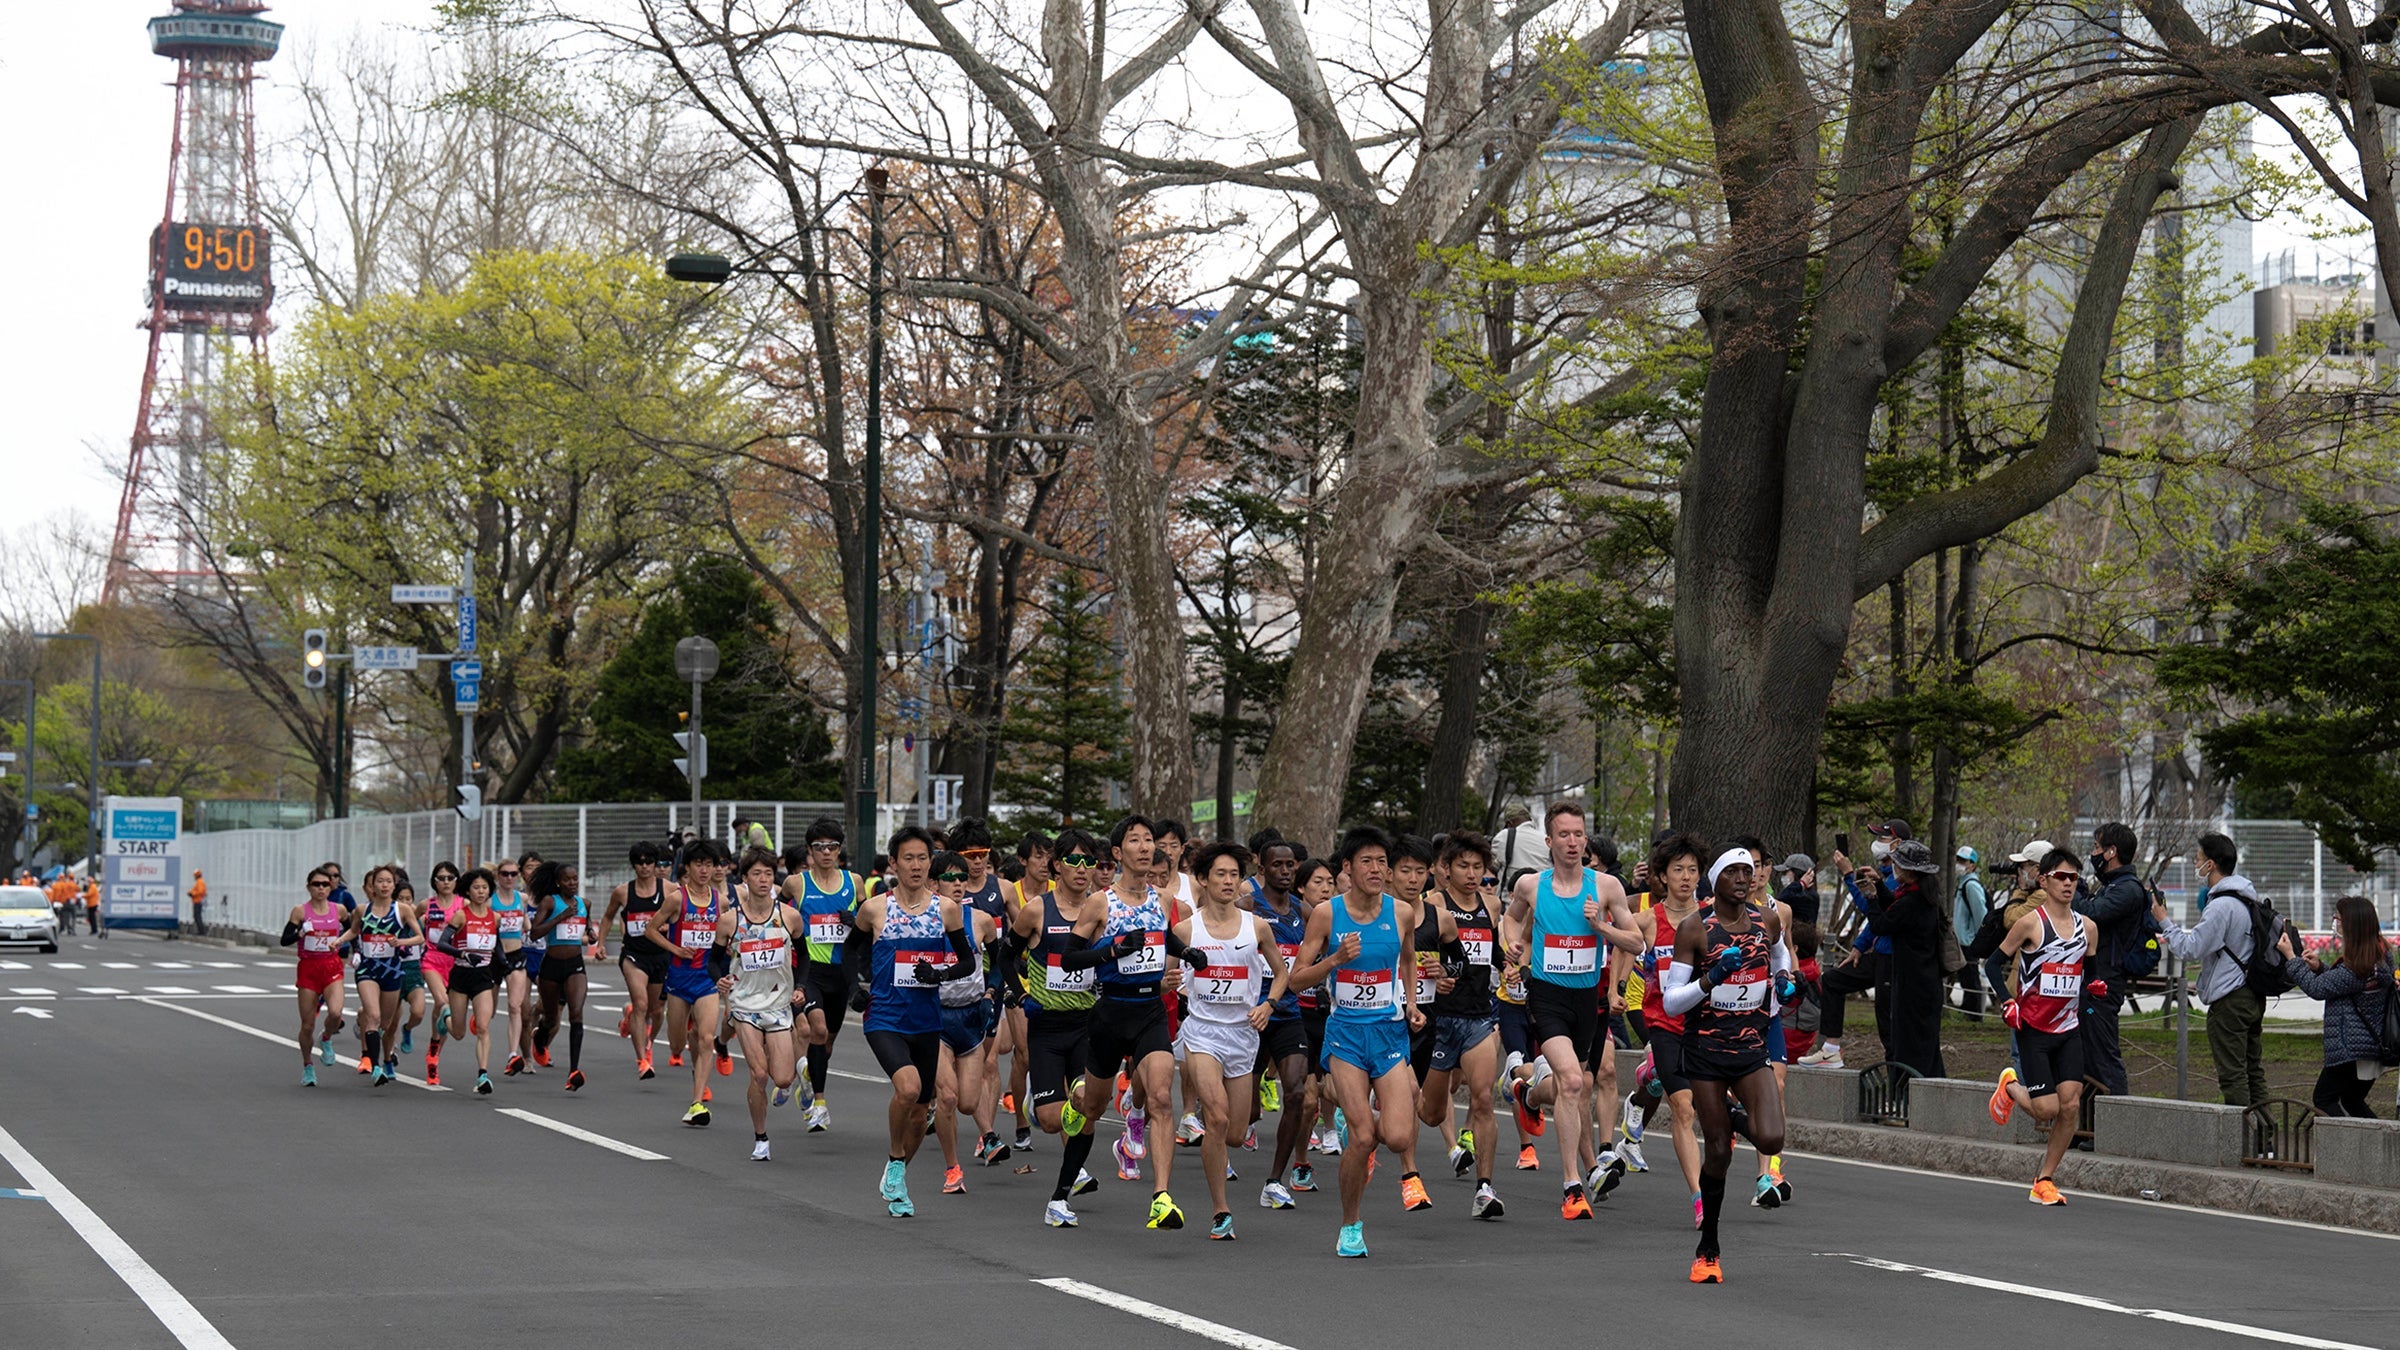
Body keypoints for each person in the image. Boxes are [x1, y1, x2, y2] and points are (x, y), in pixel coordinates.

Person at [1289, 826, 1426, 1257]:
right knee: (1365, 1136)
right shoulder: (1328, 914)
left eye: (1382, 861)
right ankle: (1351, 1225)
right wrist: (1335, 959)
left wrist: (1410, 1000)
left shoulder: (1401, 913)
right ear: (1346, 868)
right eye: (1366, 861)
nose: (1376, 869)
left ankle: (1352, 1117)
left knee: (1400, 1137)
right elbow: (1296, 980)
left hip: (1388, 1033)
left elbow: (1406, 957)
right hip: (1346, 1034)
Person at [1501, 801, 1642, 1220]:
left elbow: (1637, 943)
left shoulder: (1606, 888)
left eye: (1579, 833)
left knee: (1571, 1085)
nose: (1573, 841)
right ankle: (1571, 1184)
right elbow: (1511, 920)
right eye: (1564, 834)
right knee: (1573, 1081)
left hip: (1588, 1000)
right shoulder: (1531, 885)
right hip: (1547, 997)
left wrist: (1602, 928)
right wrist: (1512, 945)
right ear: (1549, 841)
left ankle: (1527, 1093)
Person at [1657, 848, 1789, 1283]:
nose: (1741, 878)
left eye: (1747, 872)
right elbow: (1673, 1002)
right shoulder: (1695, 929)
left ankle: (1731, 1118)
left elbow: (1780, 956)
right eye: (1731, 871)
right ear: (1714, 881)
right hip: (1706, 1054)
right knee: (1717, 1151)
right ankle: (1708, 1247)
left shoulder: (1766, 921)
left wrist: (1784, 980)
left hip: (1751, 1050)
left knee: (1771, 1138)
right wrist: (1711, 978)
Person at [1060, 814, 1194, 1230]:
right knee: (1093, 1108)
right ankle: (1062, 1188)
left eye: (1148, 840)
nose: (1144, 846)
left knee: (1160, 1098)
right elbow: (1070, 957)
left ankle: (1161, 1198)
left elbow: (1163, 938)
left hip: (1150, 1012)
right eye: (1134, 841)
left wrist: (1188, 955)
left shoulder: (1162, 901)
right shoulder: (1101, 902)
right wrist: (1113, 949)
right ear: (1118, 853)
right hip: (1110, 1013)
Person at [846, 826, 978, 1218]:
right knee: (909, 1088)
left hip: (926, 1020)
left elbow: (967, 961)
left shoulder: (946, 909)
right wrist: (856, 987)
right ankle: (894, 1155)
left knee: (921, 1113)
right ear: (894, 864)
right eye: (909, 858)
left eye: (923, 858)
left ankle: (898, 1172)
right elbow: (849, 953)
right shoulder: (875, 909)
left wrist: (940, 976)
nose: (917, 865)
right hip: (885, 1016)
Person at [1173, 841, 1291, 1239]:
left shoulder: (1255, 927)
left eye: (1234, 874)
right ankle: (1220, 1210)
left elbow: (1282, 972)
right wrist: (1171, 984)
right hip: (1202, 1033)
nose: (1228, 881)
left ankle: (1219, 1154)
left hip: (1244, 1034)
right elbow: (1165, 979)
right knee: (1217, 1118)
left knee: (1236, 1133)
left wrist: (1269, 1005)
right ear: (1202, 880)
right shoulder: (1186, 929)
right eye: (1220, 874)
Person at [1986, 847, 2101, 1206]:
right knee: (2046, 1109)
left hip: (2068, 1031)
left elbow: (2090, 975)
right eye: (2061, 877)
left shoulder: (2089, 929)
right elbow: (1992, 965)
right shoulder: (2030, 923)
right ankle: (2009, 1087)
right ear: (2044, 880)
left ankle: (2044, 1180)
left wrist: (2094, 991)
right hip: (2033, 1029)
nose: (2068, 884)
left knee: (2070, 1105)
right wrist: (2008, 1002)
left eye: (2074, 878)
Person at [1016, 827, 1105, 1228]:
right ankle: (1038, 1100)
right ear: (1057, 866)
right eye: (1075, 860)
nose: (1083, 869)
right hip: (1047, 1028)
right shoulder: (1038, 909)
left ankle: (1060, 1196)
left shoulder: (1102, 909)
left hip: (1087, 1025)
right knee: (1052, 1120)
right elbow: (1006, 955)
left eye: (1090, 861)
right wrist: (1019, 994)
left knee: (1085, 1105)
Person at [1418, 830, 1506, 1218]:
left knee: (1483, 1098)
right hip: (1439, 1020)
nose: (1472, 874)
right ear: (1445, 870)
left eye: (1478, 867)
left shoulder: (1492, 905)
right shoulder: (1432, 905)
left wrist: (1512, 964)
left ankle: (1484, 1189)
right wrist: (1433, 973)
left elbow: (1494, 950)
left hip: (1478, 1018)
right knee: (1432, 1114)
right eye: (1463, 866)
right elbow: (1412, 952)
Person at [2150, 833, 2269, 1107]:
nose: (2196, 864)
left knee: (2233, 1075)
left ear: (2211, 864)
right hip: (2251, 993)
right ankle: (2265, 1142)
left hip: (2230, 1000)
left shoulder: (2221, 905)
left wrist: (2164, 921)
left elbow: (2191, 948)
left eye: (2198, 859)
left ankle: (2243, 1139)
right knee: (2253, 1071)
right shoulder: (2246, 899)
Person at [1628, 833, 1708, 1221]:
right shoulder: (1647, 921)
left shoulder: (1712, 917)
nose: (1686, 877)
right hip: (1663, 1023)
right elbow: (1617, 943)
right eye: (1678, 870)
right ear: (1661, 876)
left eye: (1693, 870)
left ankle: (1652, 1072)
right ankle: (1699, 1197)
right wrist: (1614, 989)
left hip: (1705, 1024)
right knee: (1683, 1107)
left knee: (1713, 1111)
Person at [715, 845, 811, 1160]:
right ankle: (761, 1138)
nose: (763, 879)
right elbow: (713, 962)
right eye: (756, 873)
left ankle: (790, 1083)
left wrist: (801, 987)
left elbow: (805, 958)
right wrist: (721, 978)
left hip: (778, 1004)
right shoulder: (731, 920)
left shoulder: (789, 917)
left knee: (782, 1078)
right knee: (759, 1074)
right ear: (745, 878)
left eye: (768, 874)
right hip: (744, 1005)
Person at [1246, 839, 1320, 1208]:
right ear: (1263, 868)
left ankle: (1274, 1180)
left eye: (1291, 865)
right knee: (1246, 1109)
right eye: (1278, 865)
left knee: (1296, 1093)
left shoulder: (1303, 910)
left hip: (1288, 1013)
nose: (1287, 871)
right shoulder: (1248, 905)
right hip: (1248, 1016)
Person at [1798, 820, 1908, 1067]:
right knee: (1833, 980)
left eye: (1882, 838)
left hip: (1893, 959)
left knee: (1888, 1026)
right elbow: (1877, 920)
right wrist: (1859, 946)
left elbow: (1870, 908)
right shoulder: (1886, 875)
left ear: (1898, 844)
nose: (1877, 844)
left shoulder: (1898, 879)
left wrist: (1848, 875)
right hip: (1879, 954)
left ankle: (1899, 1090)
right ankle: (1830, 1048)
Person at [2278, 896, 2392, 1118]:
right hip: (2367, 1047)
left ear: (2351, 924)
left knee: (2324, 1099)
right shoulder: (2377, 956)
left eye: (2337, 918)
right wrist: (2320, 967)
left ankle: (2349, 1147)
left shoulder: (2360, 966)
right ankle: (2376, 1145)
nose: (2335, 923)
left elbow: (2317, 989)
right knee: (2352, 1100)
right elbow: (2344, 984)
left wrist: (2291, 957)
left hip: (2350, 1048)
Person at [929, 849, 1000, 1194]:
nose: (958, 884)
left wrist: (991, 995)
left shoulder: (981, 920)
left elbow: (1002, 963)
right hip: (936, 1016)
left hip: (971, 1014)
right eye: (950, 878)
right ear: (934, 882)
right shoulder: (923, 920)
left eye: (962, 878)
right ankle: (952, 1168)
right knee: (948, 1097)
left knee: (969, 1102)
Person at [786, 818, 863, 1129]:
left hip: (842, 972)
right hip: (810, 970)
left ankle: (810, 1082)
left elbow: (871, 923)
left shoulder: (854, 882)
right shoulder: (797, 884)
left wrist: (854, 919)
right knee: (816, 1030)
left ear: (839, 850)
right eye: (820, 847)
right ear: (809, 851)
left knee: (827, 1042)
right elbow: (779, 918)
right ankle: (819, 1103)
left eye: (832, 847)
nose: (827, 852)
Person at [650, 839, 733, 1124]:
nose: (704, 870)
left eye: (709, 865)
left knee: (707, 1038)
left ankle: (697, 1103)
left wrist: (731, 948)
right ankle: (686, 1038)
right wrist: (675, 950)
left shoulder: (720, 902)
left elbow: (726, 935)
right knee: (676, 1045)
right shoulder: (676, 898)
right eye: (699, 864)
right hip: (678, 979)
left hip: (706, 979)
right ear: (688, 867)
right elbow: (651, 930)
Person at [1859, 840, 1947, 1078]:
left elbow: (1881, 924)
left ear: (1908, 870)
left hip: (1912, 987)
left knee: (1909, 1045)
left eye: (1896, 863)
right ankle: (1932, 1091)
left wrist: (1870, 898)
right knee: (1926, 1044)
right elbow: (1894, 909)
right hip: (1926, 984)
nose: (1893, 867)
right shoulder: (1923, 897)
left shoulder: (1911, 903)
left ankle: (1907, 1094)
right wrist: (1879, 885)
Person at [2076, 822, 2148, 1097]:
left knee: (2103, 1054)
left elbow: (2092, 914)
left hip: (2106, 985)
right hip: (2096, 981)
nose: (2093, 853)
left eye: (2096, 847)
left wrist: (2073, 891)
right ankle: (2092, 1129)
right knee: (2088, 1055)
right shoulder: (2113, 886)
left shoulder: (2127, 889)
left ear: (2111, 852)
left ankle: (2114, 1124)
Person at [281, 868, 358, 1087]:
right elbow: (284, 940)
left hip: (332, 966)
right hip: (309, 969)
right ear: (309, 887)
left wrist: (357, 951)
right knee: (307, 1025)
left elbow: (353, 930)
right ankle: (308, 1065)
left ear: (331, 886)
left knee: (335, 1013)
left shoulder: (339, 910)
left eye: (325, 884)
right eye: (316, 884)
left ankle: (326, 1038)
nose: (321, 888)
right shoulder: (300, 911)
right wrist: (300, 933)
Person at [432, 867, 506, 1096]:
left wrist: (505, 963)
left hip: (483, 976)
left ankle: (483, 1074)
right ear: (468, 891)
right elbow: (442, 944)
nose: (481, 892)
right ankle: (445, 1014)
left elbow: (498, 947)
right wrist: (463, 954)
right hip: (462, 975)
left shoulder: (495, 917)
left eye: (485, 887)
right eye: (476, 888)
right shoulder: (461, 915)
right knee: (459, 1033)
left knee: (483, 1026)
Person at [600, 842, 669, 1080]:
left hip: (661, 955)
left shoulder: (669, 890)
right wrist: (600, 943)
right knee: (640, 1005)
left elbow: (683, 915)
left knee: (657, 1010)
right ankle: (642, 1060)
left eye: (649, 862)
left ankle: (648, 1044)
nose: (645, 867)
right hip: (633, 955)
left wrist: (671, 927)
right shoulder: (623, 892)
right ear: (633, 866)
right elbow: (608, 916)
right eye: (640, 862)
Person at [351, 864, 422, 1088]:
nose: (383, 885)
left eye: (388, 881)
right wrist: (340, 942)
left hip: (392, 970)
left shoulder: (403, 910)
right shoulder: (362, 910)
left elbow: (420, 938)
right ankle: (376, 1067)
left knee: (386, 1022)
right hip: (368, 969)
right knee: (373, 1016)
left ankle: (385, 1054)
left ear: (394, 885)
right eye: (379, 881)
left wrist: (402, 941)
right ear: (372, 886)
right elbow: (354, 931)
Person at [528, 860, 596, 1091]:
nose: (572, 883)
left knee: (576, 1014)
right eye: (567, 879)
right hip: (551, 965)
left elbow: (586, 926)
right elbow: (535, 932)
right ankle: (540, 1036)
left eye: (575, 879)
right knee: (551, 1018)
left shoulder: (584, 903)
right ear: (558, 882)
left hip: (575, 964)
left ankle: (574, 1070)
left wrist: (591, 933)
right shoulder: (550, 902)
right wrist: (560, 917)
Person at [416, 863, 464, 1085]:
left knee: (441, 1009)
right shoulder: (426, 904)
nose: (446, 882)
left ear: (456, 880)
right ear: (434, 881)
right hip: (431, 960)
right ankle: (436, 1047)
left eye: (450, 877)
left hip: (455, 961)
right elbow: (408, 920)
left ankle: (434, 1052)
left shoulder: (463, 904)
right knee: (442, 1001)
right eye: (441, 878)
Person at [1952, 847, 1989, 1017]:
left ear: (1972, 865)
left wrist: (1977, 939)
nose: (1958, 864)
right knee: (1966, 978)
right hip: (1963, 940)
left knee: (1971, 978)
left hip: (1969, 941)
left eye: (1963, 861)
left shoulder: (1971, 886)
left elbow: (1980, 915)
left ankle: (1973, 1013)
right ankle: (1968, 1010)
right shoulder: (1963, 884)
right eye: (1958, 860)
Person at [187, 870, 208, 938]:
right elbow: (195, 890)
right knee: (196, 916)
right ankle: (200, 931)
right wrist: (190, 892)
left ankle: (201, 931)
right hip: (196, 901)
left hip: (198, 901)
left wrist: (192, 894)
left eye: (194, 875)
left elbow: (200, 891)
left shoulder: (200, 882)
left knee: (197, 916)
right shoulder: (199, 882)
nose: (194, 877)